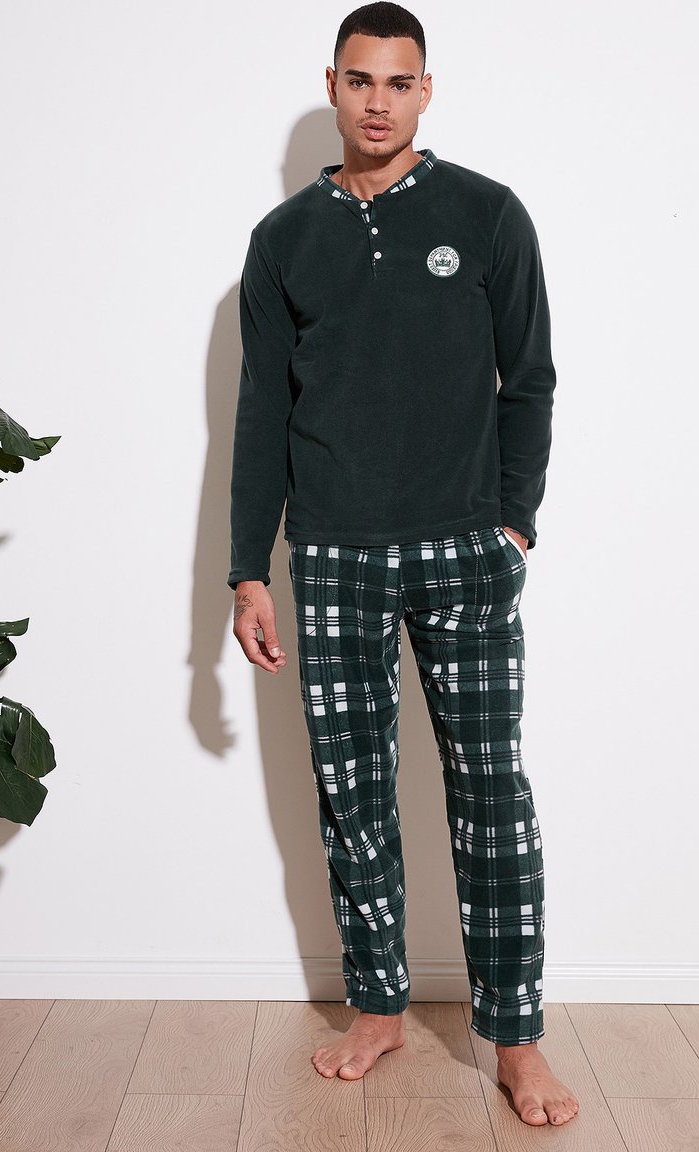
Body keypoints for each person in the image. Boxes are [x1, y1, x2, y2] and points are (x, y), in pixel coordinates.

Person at [228, 1, 579, 1129]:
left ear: (425, 89)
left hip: (465, 552)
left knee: (491, 796)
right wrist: (246, 568)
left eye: (398, 81)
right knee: (353, 795)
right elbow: (259, 414)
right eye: (359, 79)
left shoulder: (486, 213)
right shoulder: (283, 239)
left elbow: (529, 378)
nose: (377, 101)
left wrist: (512, 524)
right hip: (332, 554)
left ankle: (515, 1036)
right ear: (330, 84)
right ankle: (376, 1006)